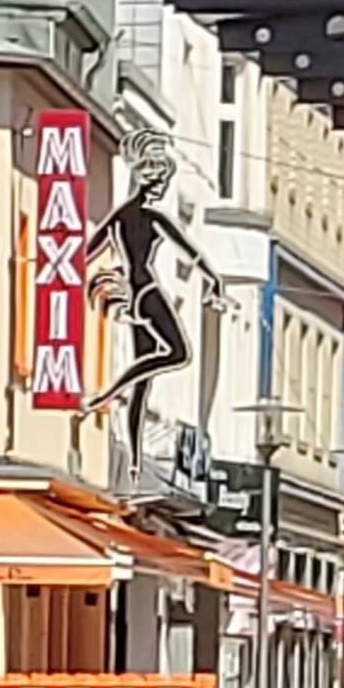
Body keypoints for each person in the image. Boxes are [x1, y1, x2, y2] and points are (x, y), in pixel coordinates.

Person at [81, 137, 224, 468]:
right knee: (179, 353)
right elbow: (192, 253)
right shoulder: (152, 217)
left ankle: (133, 461)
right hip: (147, 290)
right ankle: (106, 394)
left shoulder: (118, 217)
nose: (161, 186)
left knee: (142, 385)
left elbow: (87, 252)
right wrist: (213, 279)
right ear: (147, 178)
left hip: (131, 294)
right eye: (159, 179)